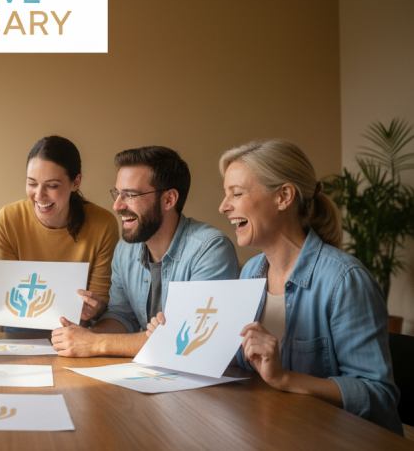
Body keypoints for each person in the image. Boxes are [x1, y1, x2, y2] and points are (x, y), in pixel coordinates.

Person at [149, 139, 402, 434]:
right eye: (225, 194)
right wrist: (174, 345)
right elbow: (241, 364)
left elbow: (379, 396)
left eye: (237, 193)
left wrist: (284, 379)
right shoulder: (250, 274)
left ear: (283, 197)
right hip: (273, 431)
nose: (223, 207)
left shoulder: (345, 281)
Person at [52, 146, 240, 357]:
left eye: (130, 195)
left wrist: (95, 343)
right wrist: (85, 335)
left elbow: (188, 342)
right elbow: (122, 317)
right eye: (117, 193)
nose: (117, 206)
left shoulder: (210, 250)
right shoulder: (125, 249)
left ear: (169, 199)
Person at [0, 135, 120, 332]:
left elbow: (101, 302)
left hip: (78, 329)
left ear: (76, 183)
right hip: (21, 327)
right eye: (32, 183)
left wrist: (95, 307)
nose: (39, 195)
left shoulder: (103, 223)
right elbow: (10, 299)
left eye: (52, 186)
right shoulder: (8, 219)